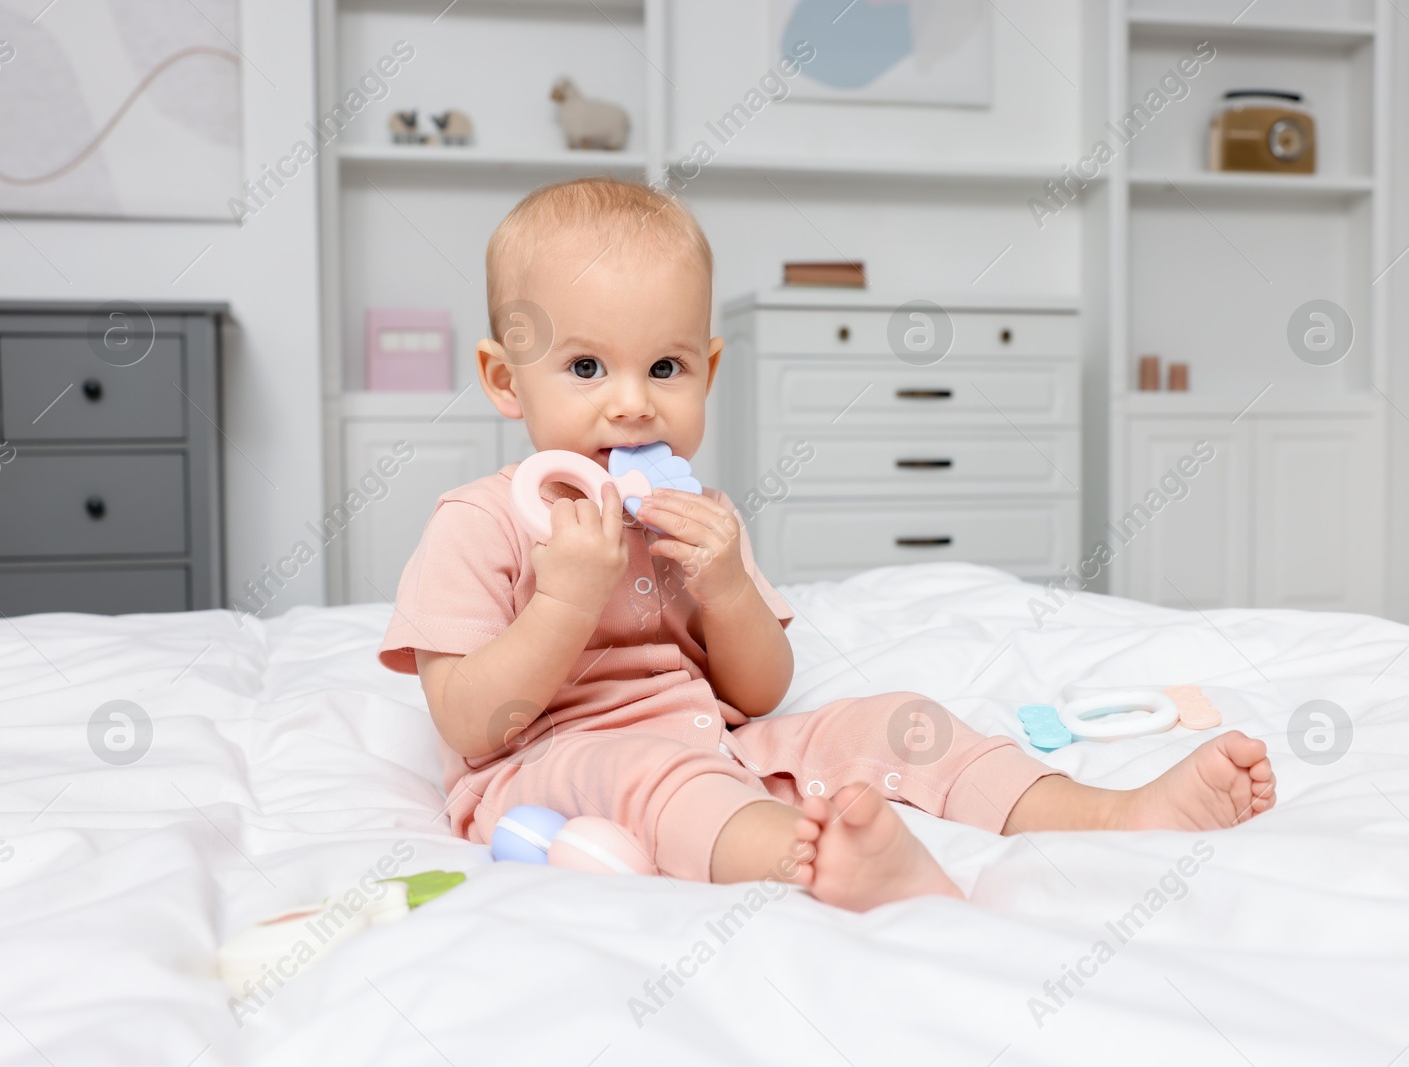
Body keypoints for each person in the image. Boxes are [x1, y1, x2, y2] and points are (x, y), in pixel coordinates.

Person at [379, 178, 1276, 911]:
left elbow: (760, 690)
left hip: (719, 746)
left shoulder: (697, 517)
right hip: (548, 768)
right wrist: (565, 599)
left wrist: (727, 587)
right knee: (650, 770)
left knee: (898, 719)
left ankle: (1113, 814)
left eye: (665, 367)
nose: (632, 403)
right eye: (585, 368)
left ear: (709, 370)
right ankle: (818, 867)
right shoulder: (482, 520)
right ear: (506, 379)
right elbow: (467, 722)